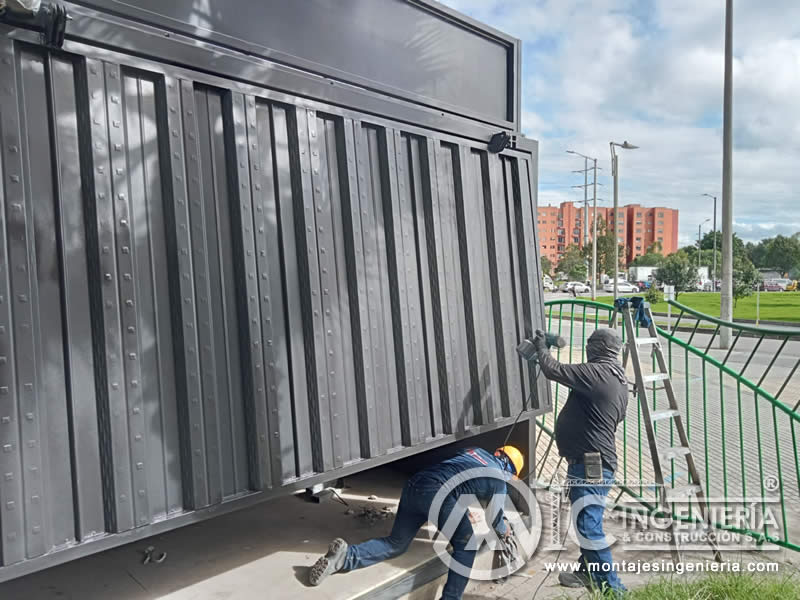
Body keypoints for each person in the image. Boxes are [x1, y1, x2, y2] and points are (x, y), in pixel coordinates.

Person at [308, 445, 524, 599]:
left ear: (498, 452)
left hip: (416, 485)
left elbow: (458, 476)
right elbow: (495, 522)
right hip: (437, 495)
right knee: (467, 546)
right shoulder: (499, 482)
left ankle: (344, 557)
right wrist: (504, 531)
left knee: (396, 543)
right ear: (510, 474)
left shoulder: (474, 451)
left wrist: (461, 512)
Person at [532, 328, 628, 593]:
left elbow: (554, 370)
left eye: (590, 345)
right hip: (594, 462)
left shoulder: (598, 372)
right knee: (589, 522)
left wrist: (541, 348)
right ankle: (586, 572)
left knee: (588, 526)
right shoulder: (617, 378)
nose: (587, 350)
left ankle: (614, 591)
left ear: (598, 348)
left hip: (591, 464)